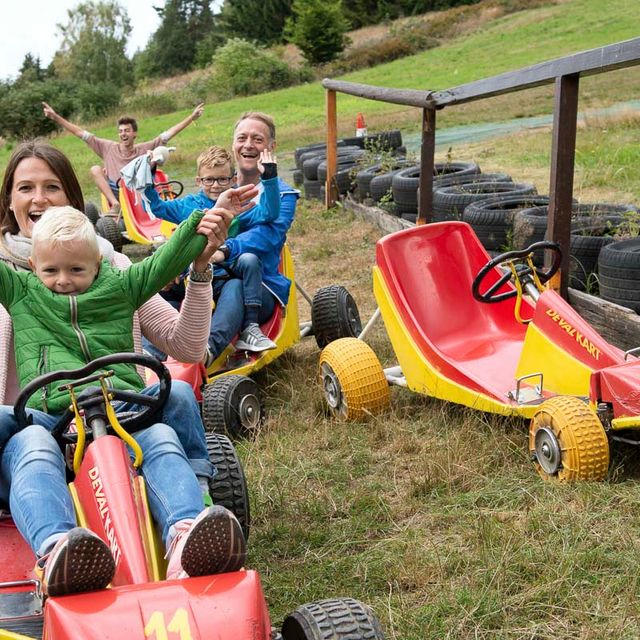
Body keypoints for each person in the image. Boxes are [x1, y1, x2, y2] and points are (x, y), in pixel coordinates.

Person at [0, 205, 248, 597]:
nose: (64, 281)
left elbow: (162, 264)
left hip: (122, 413)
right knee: (26, 445)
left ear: (98, 263)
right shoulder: (21, 291)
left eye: (77, 270)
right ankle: (58, 551)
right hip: (50, 419)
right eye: (51, 271)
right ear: (32, 265)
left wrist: (200, 222)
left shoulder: (121, 285)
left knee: (165, 429)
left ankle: (185, 530)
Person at [0, 141, 253, 501]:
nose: (39, 199)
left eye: (51, 187)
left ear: (72, 200)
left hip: (116, 420)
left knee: (174, 401)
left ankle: (193, 506)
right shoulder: (10, 282)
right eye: (26, 188)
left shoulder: (113, 269)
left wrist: (199, 271)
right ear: (9, 201)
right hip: (31, 432)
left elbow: (188, 347)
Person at [140, 144, 281, 353]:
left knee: (245, 269)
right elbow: (157, 207)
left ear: (233, 179)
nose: (215, 185)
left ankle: (231, 338)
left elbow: (269, 213)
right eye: (209, 180)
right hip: (189, 274)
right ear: (199, 181)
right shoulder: (189, 205)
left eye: (222, 179)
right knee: (156, 291)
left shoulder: (238, 206)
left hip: (223, 274)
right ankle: (151, 350)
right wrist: (148, 174)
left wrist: (269, 179)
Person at [206, 112, 300, 363]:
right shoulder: (219, 186)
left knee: (234, 286)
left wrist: (224, 250)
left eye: (257, 139)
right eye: (242, 138)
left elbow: (267, 237)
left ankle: (204, 354)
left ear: (271, 147)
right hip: (212, 278)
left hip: (261, 288)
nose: (248, 145)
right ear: (234, 145)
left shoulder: (284, 195)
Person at [41, 101, 205, 214]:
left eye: (126, 130)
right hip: (116, 189)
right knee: (95, 169)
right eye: (120, 131)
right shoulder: (108, 147)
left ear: (134, 133)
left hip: (136, 189)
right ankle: (115, 204)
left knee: (161, 171)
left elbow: (169, 134)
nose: (123, 134)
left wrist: (192, 117)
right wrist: (55, 117)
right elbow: (80, 133)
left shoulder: (144, 148)